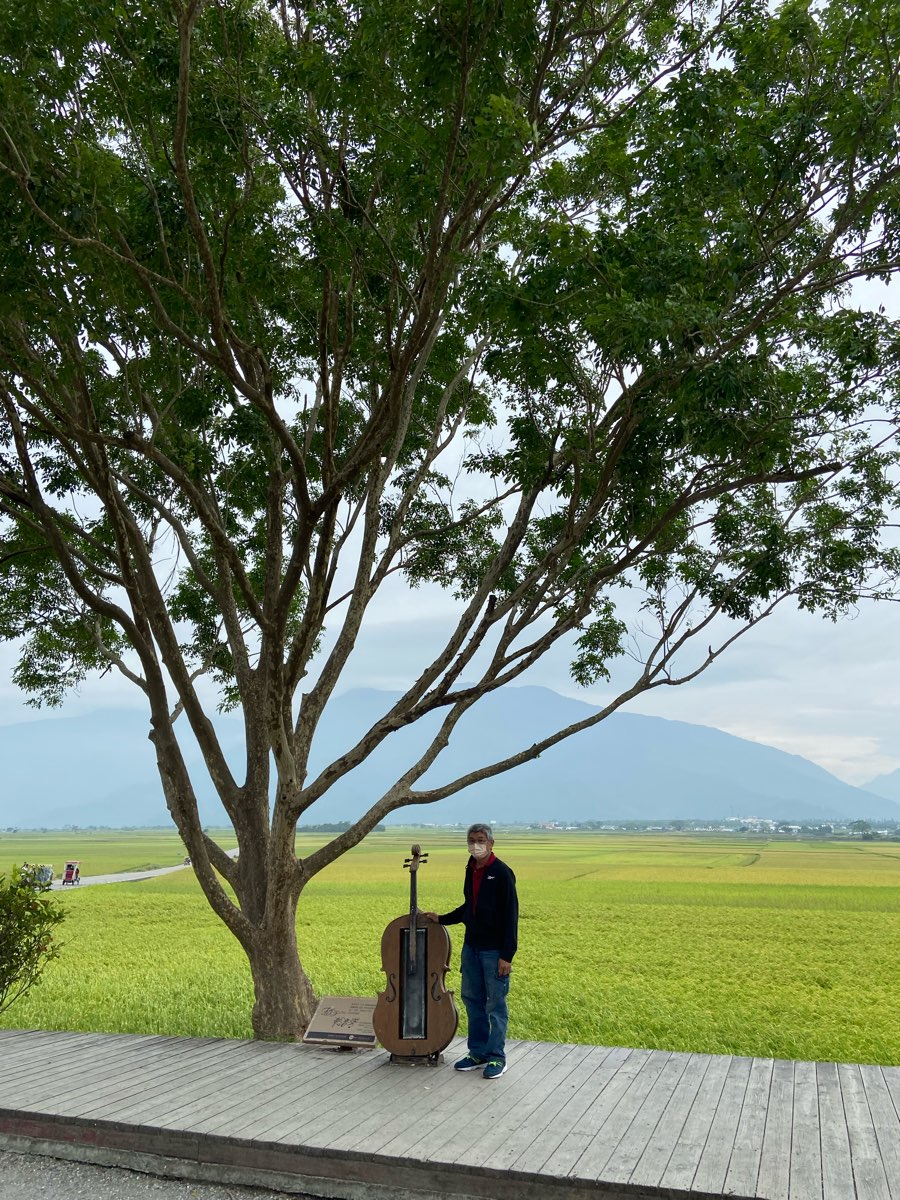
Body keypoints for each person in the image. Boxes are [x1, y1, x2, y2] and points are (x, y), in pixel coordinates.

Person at [425, 823, 518, 1079]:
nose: (475, 844)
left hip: (493, 951)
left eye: (480, 840)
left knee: (495, 1005)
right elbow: (470, 908)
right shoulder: (470, 868)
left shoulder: (501, 873)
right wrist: (441, 918)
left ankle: (497, 1057)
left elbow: (511, 916)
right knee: (473, 1001)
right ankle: (477, 1053)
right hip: (472, 948)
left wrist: (506, 955)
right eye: (471, 840)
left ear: (491, 843)